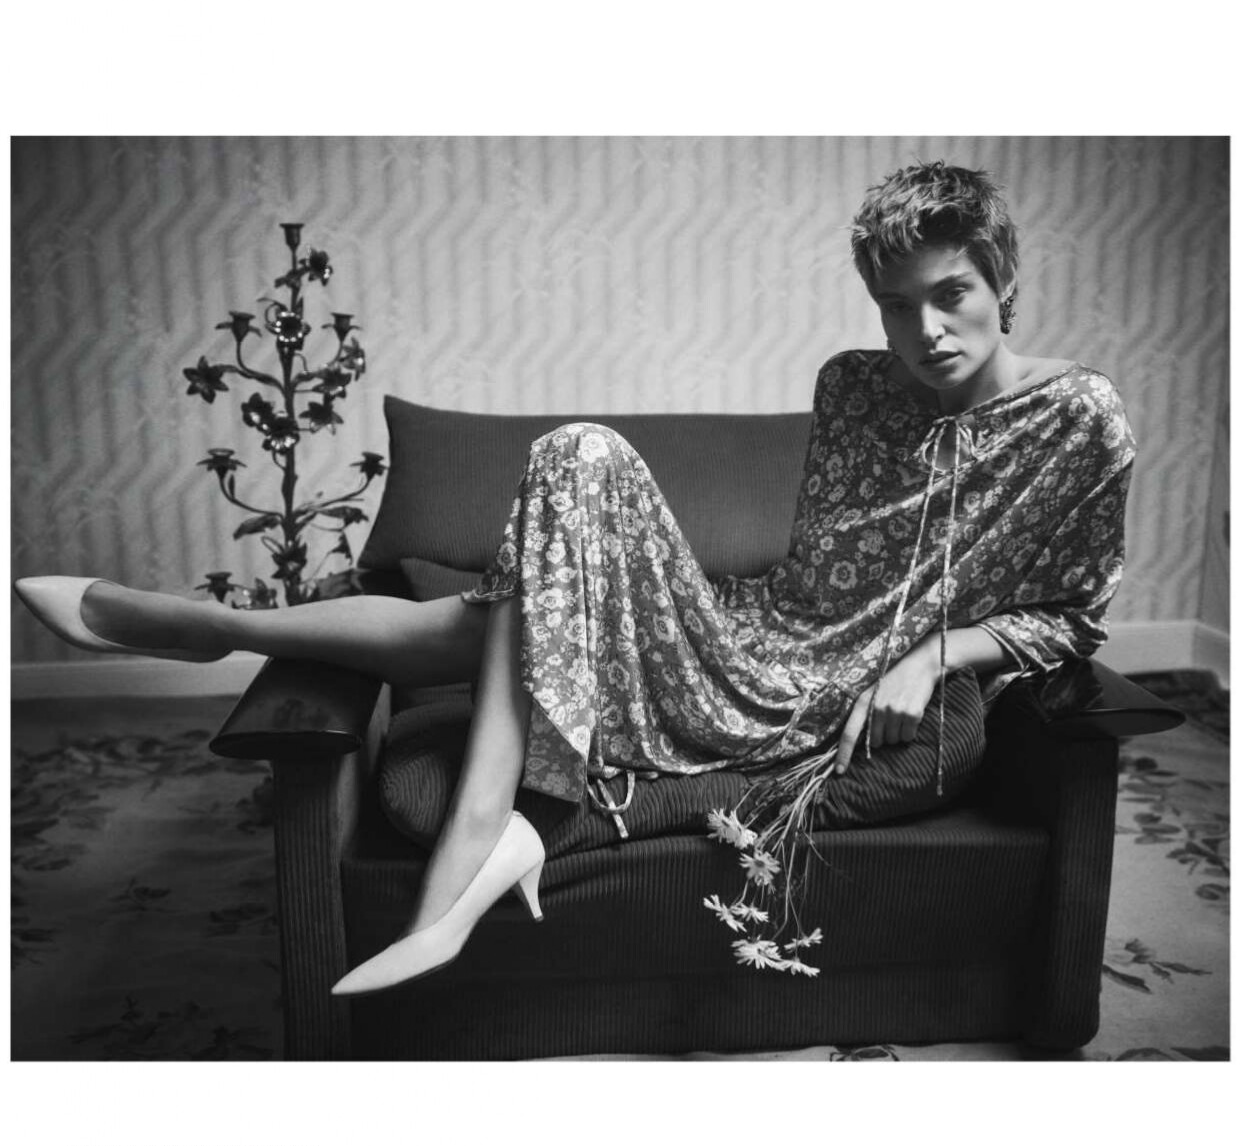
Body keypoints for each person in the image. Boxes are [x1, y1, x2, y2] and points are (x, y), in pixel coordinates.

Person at [15, 161, 1136, 992]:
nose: (923, 330)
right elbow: (815, 583)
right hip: (742, 631)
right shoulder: (853, 385)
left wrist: (938, 652)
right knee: (576, 463)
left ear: (1001, 276)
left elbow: (1072, 617)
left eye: (950, 292)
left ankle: (248, 645)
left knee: (510, 607)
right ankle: (285, 678)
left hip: (805, 690)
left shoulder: (1078, 420)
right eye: (895, 303)